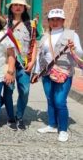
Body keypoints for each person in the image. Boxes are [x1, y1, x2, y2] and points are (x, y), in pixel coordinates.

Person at [32, 9, 83, 142]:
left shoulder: (72, 34)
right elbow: (40, 56)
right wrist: (36, 72)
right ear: (48, 21)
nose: (55, 22)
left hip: (63, 72)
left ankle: (63, 130)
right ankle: (52, 125)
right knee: (50, 99)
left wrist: (74, 48)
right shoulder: (44, 36)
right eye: (52, 19)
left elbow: (80, 53)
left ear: (63, 21)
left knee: (60, 101)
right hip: (46, 72)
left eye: (58, 19)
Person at [2, 0, 40, 130]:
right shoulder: (4, 23)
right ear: (11, 8)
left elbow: (34, 43)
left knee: (24, 91)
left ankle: (20, 117)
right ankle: (11, 117)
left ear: (24, 8)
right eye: (15, 5)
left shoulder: (31, 24)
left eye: (21, 5)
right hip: (9, 63)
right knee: (8, 90)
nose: (18, 7)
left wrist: (33, 61)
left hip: (24, 63)